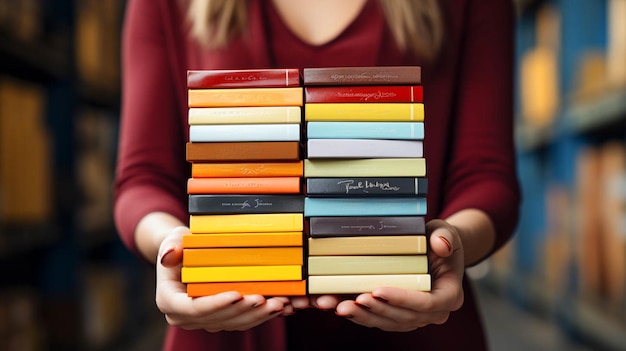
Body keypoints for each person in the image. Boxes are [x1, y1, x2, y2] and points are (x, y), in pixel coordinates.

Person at [113, 0, 521, 350]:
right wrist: (172, 246)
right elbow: (142, 179)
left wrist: (451, 243)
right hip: (222, 325)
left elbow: (486, 176)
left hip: (417, 321)